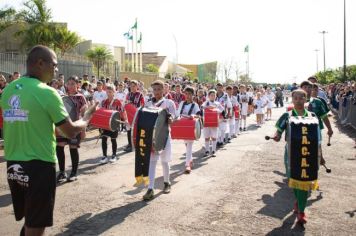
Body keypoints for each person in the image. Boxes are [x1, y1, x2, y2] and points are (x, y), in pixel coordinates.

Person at [1, 45, 97, 236]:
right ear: (40, 63)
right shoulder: (47, 92)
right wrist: (86, 118)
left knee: (30, 219)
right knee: (36, 226)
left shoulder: (8, 90)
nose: (56, 70)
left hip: (13, 165)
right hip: (39, 166)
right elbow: (70, 131)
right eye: (54, 65)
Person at [272, 89, 320, 224]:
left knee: (304, 182)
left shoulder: (312, 116)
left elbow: (318, 137)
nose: (299, 101)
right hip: (291, 154)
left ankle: (301, 211)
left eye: (301, 98)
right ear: (292, 100)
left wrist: (320, 154)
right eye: (296, 98)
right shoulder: (287, 116)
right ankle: (298, 202)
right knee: (294, 180)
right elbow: (279, 130)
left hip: (308, 153)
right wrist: (277, 136)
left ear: (306, 99)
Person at [143, 80, 176, 201]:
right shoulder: (148, 102)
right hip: (151, 137)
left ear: (163, 90)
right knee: (152, 162)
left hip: (165, 135)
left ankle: (167, 183)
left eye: (158, 89)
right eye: (154, 90)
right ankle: (150, 188)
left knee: (165, 161)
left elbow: (174, 115)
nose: (156, 92)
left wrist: (171, 118)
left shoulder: (169, 102)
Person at [56, 76, 88, 183]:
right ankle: (62, 172)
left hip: (75, 127)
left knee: (73, 147)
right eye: (69, 83)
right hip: (63, 127)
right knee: (59, 146)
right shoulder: (62, 96)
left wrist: (83, 130)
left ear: (77, 85)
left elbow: (84, 115)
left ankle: (74, 172)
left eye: (73, 83)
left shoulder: (81, 97)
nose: (70, 86)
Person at [176, 86, 200, 173]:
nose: (188, 96)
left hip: (191, 127)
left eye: (190, 94)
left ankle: (187, 165)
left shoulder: (195, 105)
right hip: (183, 126)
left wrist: (193, 116)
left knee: (189, 145)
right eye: (186, 94)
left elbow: (199, 115)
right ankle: (190, 160)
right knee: (187, 145)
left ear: (193, 95)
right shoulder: (182, 103)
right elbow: (177, 113)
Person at [99, 85, 125, 164]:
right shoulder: (104, 102)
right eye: (107, 92)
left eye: (110, 92)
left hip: (114, 124)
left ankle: (114, 155)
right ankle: (104, 156)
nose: (108, 93)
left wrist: (121, 122)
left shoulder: (117, 102)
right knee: (104, 139)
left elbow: (121, 112)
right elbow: (102, 112)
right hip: (105, 124)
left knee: (113, 139)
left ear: (114, 92)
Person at [201, 90, 224, 157]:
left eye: (214, 95)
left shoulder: (217, 103)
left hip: (214, 122)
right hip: (207, 122)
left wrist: (216, 110)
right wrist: (208, 107)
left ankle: (213, 151)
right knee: (207, 137)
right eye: (211, 95)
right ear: (208, 96)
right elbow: (202, 107)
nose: (213, 96)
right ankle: (207, 151)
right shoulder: (206, 102)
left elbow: (222, 110)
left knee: (214, 137)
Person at [124, 80, 145, 152]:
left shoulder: (140, 94)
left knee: (136, 131)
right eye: (131, 86)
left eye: (134, 86)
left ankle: (136, 144)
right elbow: (126, 103)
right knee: (128, 130)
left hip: (137, 115)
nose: (132, 88)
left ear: (137, 86)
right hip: (128, 115)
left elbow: (142, 105)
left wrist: (136, 108)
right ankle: (130, 144)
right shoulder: (128, 94)